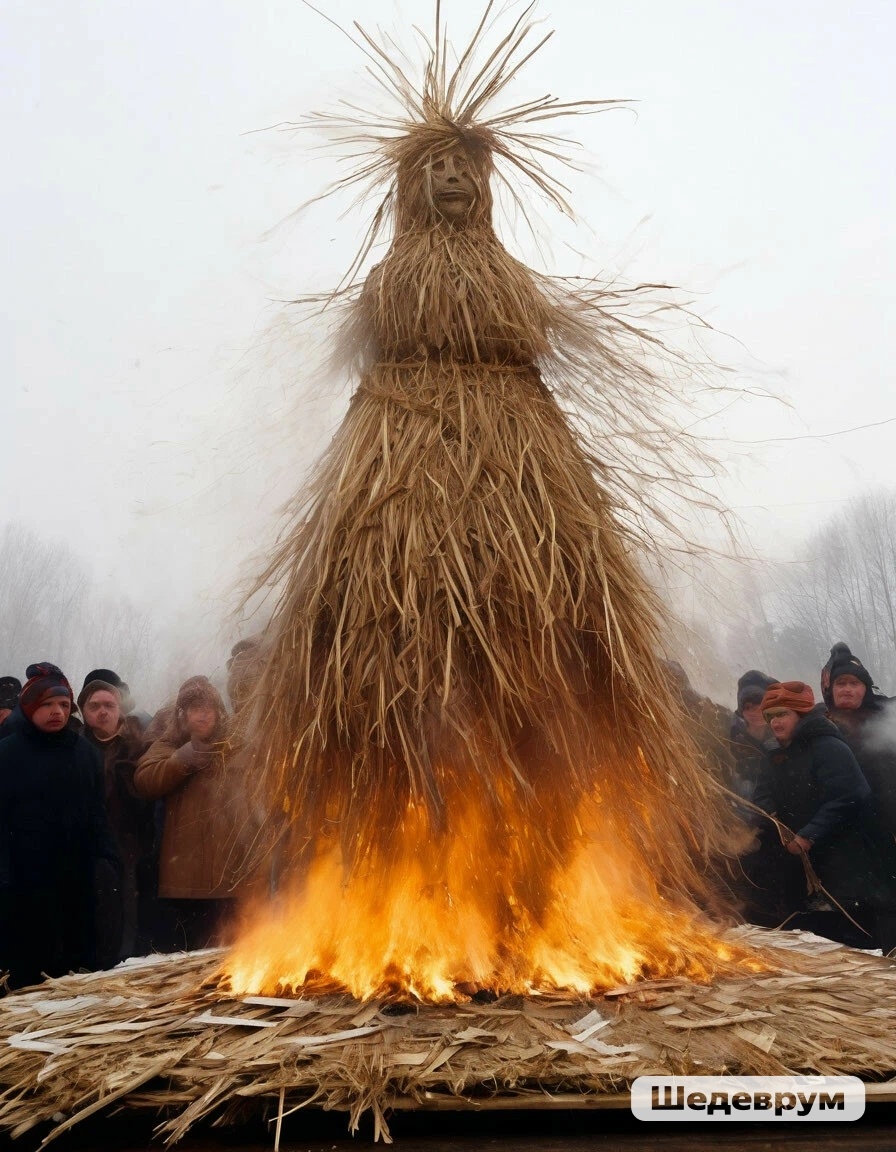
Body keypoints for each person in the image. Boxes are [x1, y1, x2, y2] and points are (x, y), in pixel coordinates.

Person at [753, 680, 896, 951]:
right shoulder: (774, 754)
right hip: (804, 857)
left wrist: (808, 834)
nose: (775, 722)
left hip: (847, 854)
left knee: (861, 927)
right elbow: (763, 792)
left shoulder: (827, 746)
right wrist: (770, 818)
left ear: (801, 714)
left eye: (782, 714)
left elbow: (851, 792)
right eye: (770, 716)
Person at [0, 663, 119, 989]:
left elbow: (97, 813)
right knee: (26, 973)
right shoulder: (7, 755)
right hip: (23, 883)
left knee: (72, 973)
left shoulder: (85, 754)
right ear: (29, 706)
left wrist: (108, 860)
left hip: (74, 880)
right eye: (47, 704)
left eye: (64, 705)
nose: (57, 711)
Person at [134, 676, 246, 951]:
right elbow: (145, 781)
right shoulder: (168, 746)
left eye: (209, 707)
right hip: (184, 881)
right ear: (182, 715)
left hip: (230, 876)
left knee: (232, 955)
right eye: (195, 708)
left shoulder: (235, 746)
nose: (203, 714)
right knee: (190, 955)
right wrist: (184, 759)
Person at [78, 673, 154, 962]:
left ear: (120, 709)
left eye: (109, 705)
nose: (103, 711)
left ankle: (125, 962)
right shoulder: (76, 748)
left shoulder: (139, 745)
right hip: (89, 843)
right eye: (94, 706)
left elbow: (150, 795)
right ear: (84, 712)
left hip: (129, 840)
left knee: (128, 905)